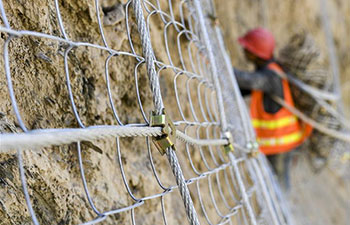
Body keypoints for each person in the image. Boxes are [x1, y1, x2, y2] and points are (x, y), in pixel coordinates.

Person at [234, 28, 312, 188]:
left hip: (281, 144)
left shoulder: (270, 76)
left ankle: (285, 211)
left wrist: (217, 61)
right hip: (277, 142)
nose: (244, 50)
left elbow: (246, 80)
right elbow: (244, 89)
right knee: (275, 184)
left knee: (280, 187)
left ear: (255, 52)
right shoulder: (270, 71)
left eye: (247, 48)